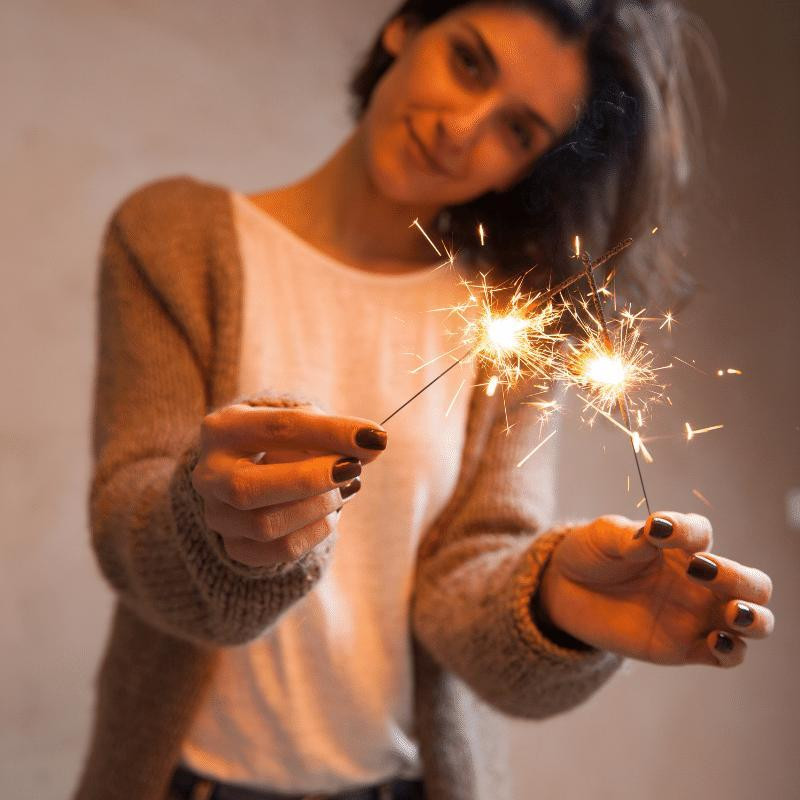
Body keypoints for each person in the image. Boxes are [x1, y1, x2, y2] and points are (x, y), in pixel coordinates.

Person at [74, 2, 775, 800]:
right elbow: (124, 517)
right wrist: (214, 526)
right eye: (469, 62)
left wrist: (552, 605)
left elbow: (465, 582)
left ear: (532, 165)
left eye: (518, 130)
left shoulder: (512, 318)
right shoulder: (171, 237)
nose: (462, 128)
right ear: (406, 27)